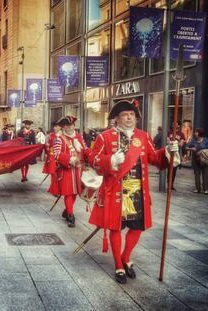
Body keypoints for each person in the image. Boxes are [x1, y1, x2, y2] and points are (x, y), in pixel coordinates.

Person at [88, 99, 179, 284]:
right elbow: (92, 159)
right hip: (115, 192)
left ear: (136, 118)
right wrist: (111, 160)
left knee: (137, 228)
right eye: (124, 115)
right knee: (116, 228)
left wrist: (169, 151)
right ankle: (119, 266)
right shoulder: (104, 137)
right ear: (117, 118)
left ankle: (125, 256)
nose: (129, 118)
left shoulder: (143, 136)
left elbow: (155, 158)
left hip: (138, 192)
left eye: (132, 115)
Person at [48, 116, 90, 227]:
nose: (70, 127)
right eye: (67, 125)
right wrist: (69, 159)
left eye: (72, 125)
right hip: (66, 170)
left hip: (78, 170)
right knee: (68, 193)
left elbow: (85, 150)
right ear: (63, 127)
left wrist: (93, 157)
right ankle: (70, 216)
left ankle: (67, 210)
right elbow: (56, 154)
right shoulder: (59, 138)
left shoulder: (79, 137)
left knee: (75, 192)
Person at [186, 128, 208, 194]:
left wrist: (202, 151)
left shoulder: (206, 140)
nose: (195, 133)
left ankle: (205, 189)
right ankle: (197, 188)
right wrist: (191, 149)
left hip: (205, 161)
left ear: (199, 133)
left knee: (205, 175)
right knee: (197, 175)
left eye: (196, 132)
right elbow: (186, 147)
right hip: (196, 160)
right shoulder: (193, 140)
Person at [167, 122, 185, 191]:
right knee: (169, 170)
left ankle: (171, 185)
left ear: (178, 125)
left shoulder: (181, 134)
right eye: (173, 124)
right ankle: (169, 185)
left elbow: (181, 144)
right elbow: (168, 141)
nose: (173, 125)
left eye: (175, 124)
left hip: (176, 154)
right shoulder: (169, 132)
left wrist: (176, 143)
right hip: (169, 153)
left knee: (174, 171)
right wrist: (172, 143)